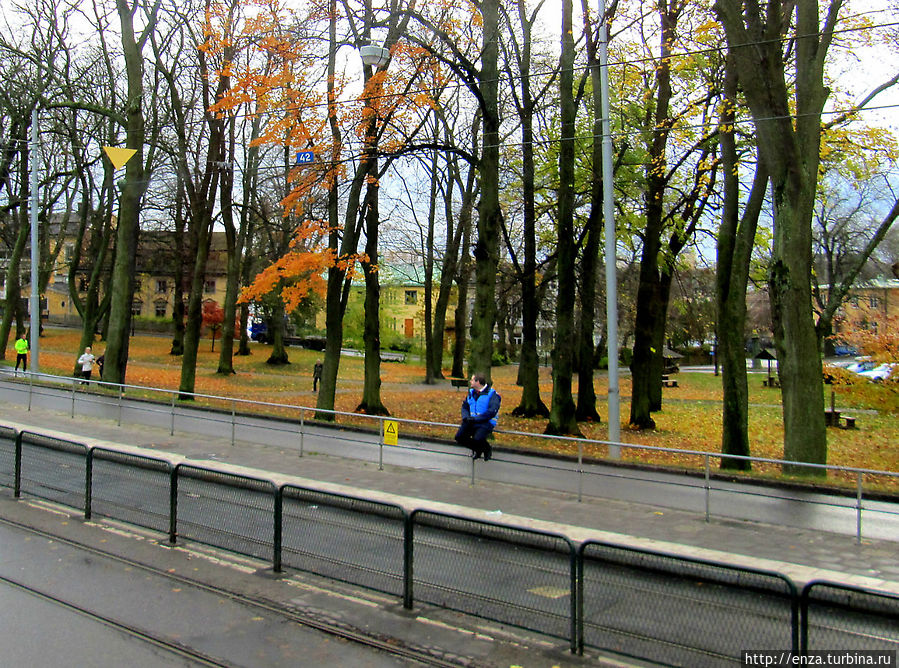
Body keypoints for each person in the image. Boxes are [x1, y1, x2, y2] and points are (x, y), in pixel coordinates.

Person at [455, 372, 501, 461]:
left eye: (472, 380)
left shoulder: (492, 394)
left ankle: (486, 449)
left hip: (486, 422)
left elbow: (492, 411)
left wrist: (476, 419)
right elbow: (465, 406)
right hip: (471, 421)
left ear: (478, 382)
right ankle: (478, 449)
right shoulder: (471, 393)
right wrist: (466, 417)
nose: (470, 381)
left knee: (478, 439)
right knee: (459, 437)